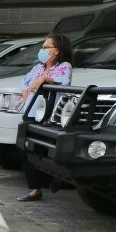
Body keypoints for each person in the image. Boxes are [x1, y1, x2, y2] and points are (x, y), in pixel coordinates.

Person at [16, 34, 73, 202]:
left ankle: (55, 180)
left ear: (57, 51)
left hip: (49, 116)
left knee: (45, 151)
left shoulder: (64, 66)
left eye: (46, 47)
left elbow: (64, 83)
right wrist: (27, 89)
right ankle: (35, 189)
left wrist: (46, 79)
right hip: (31, 113)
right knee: (27, 150)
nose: (43, 50)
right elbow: (26, 84)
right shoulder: (37, 68)